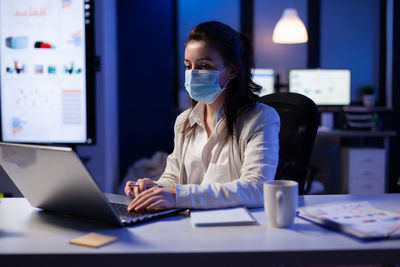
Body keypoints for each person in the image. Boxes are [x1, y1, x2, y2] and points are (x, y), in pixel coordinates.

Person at [125, 21, 280, 212]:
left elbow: (257, 188)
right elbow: (173, 178)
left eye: (204, 66)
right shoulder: (184, 121)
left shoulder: (260, 117)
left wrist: (178, 196)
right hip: (189, 223)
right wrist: (155, 189)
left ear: (232, 70)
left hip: (237, 226)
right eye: (188, 66)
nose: (193, 74)